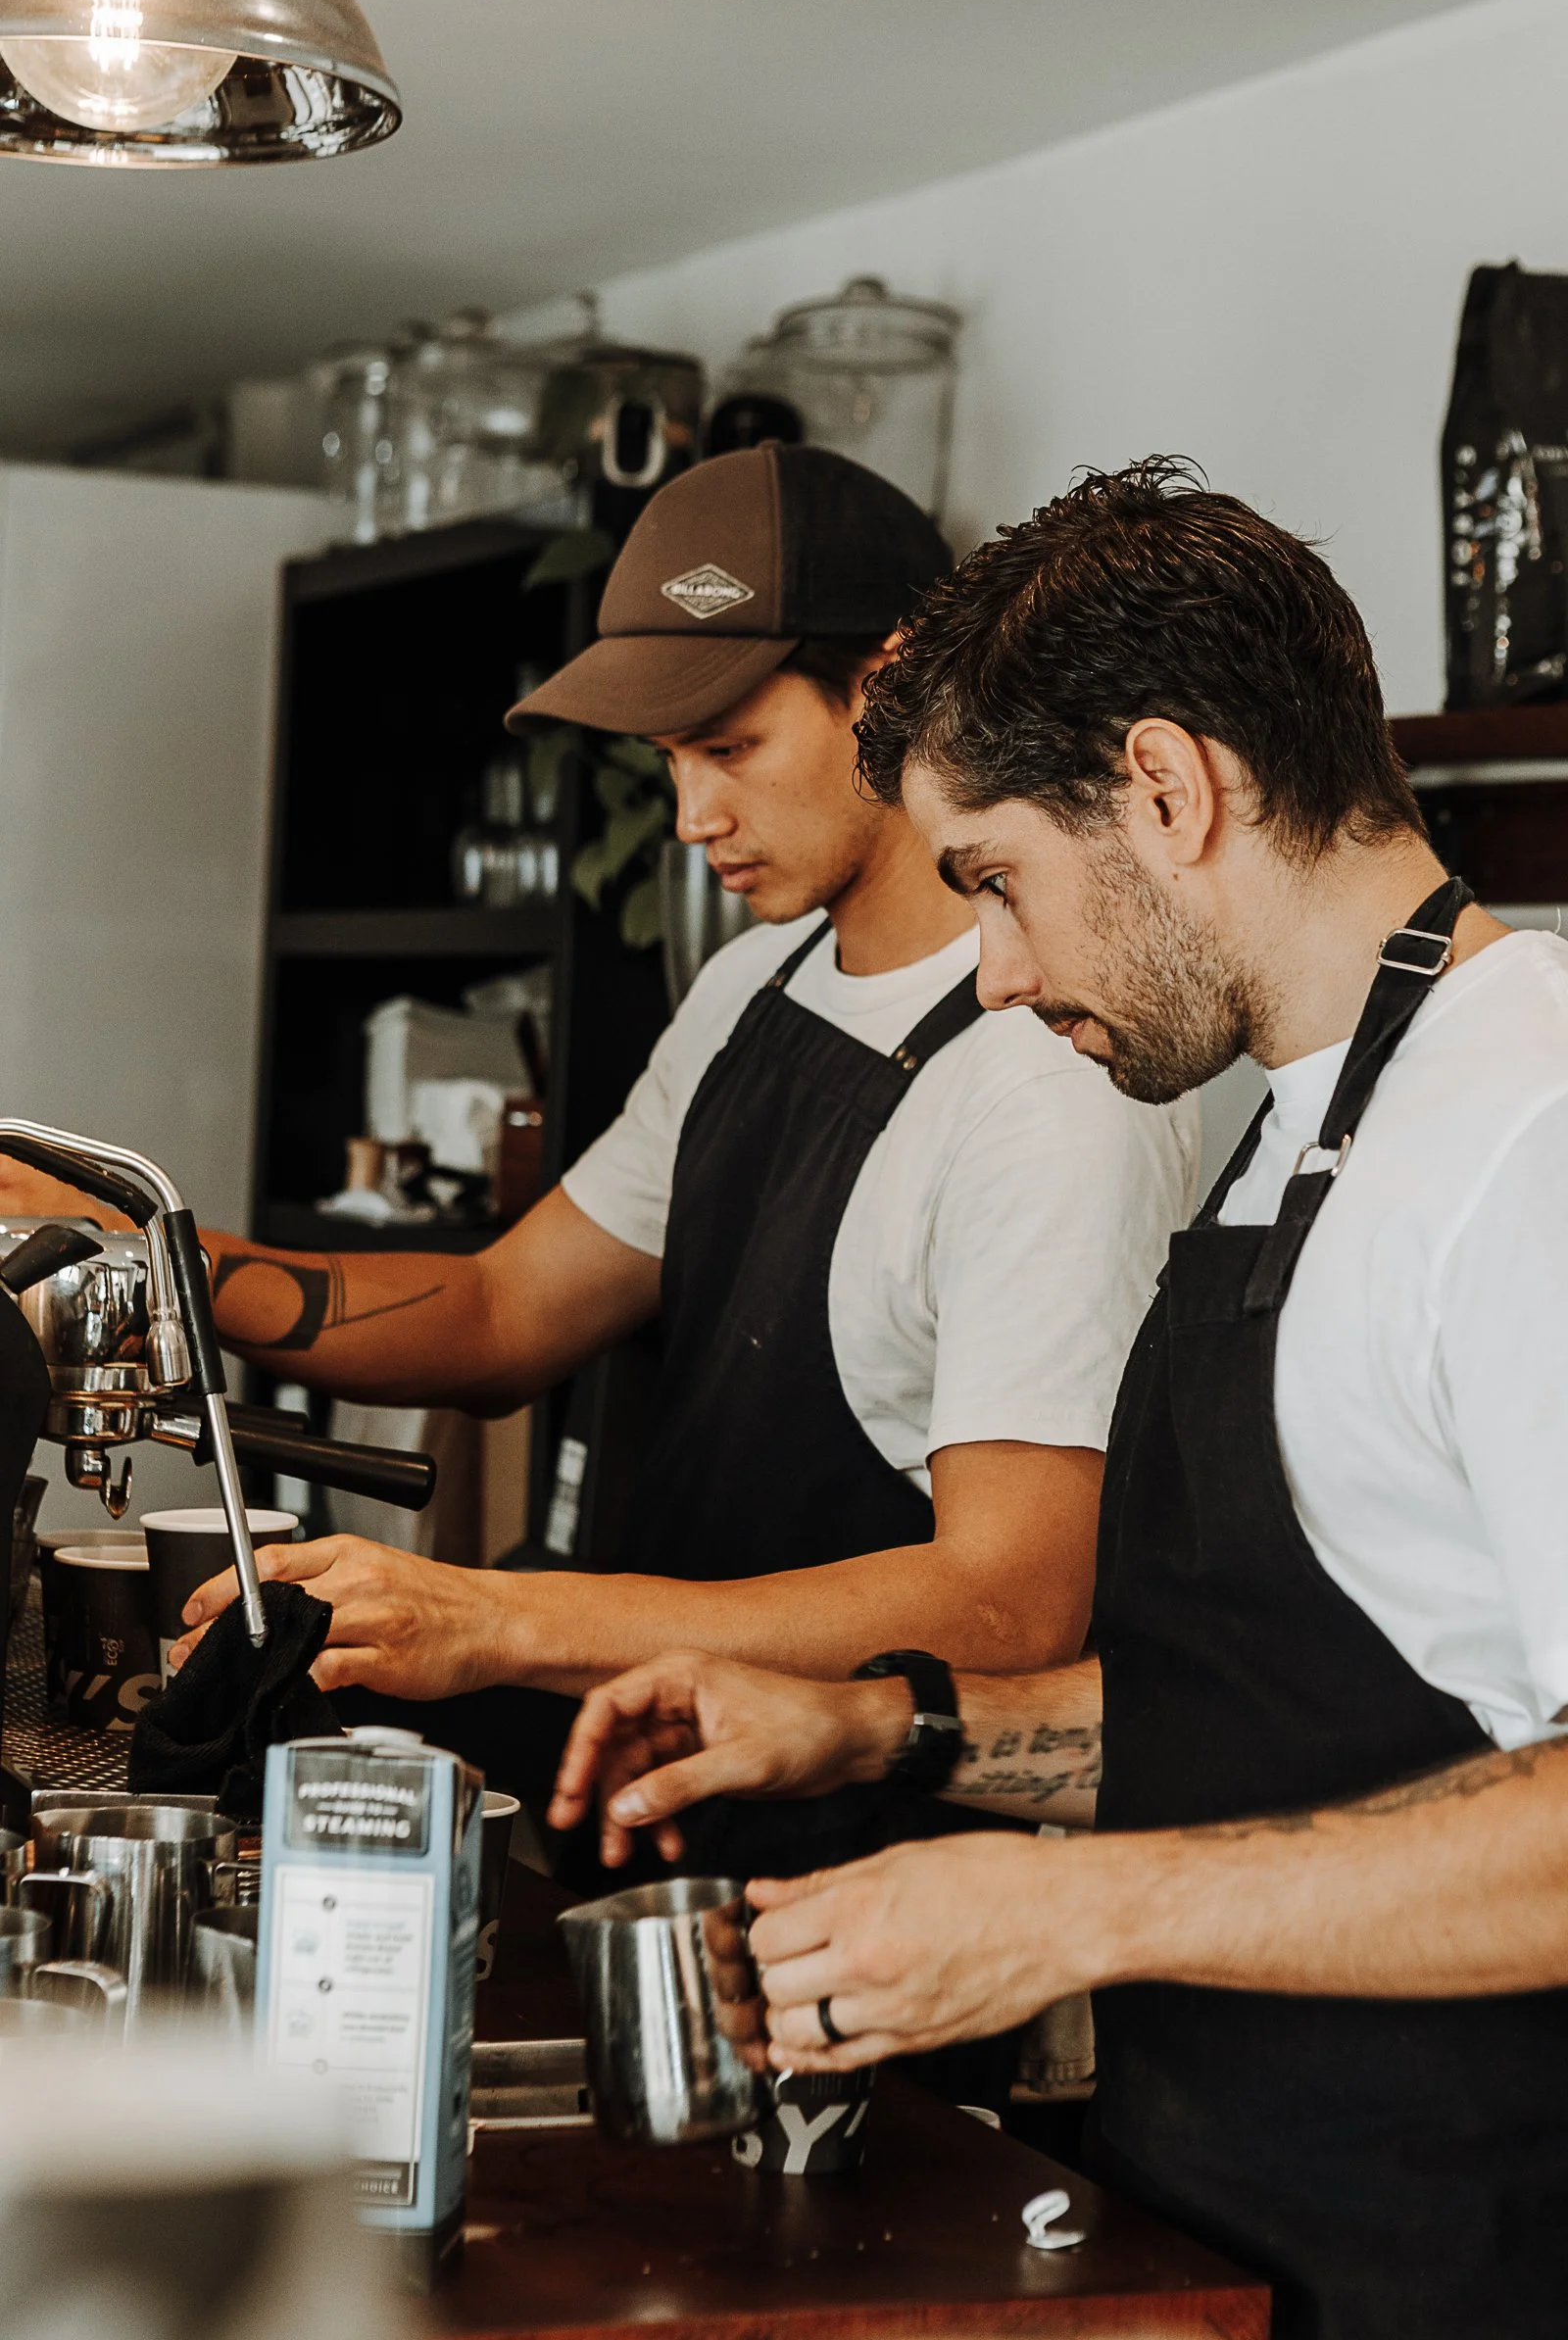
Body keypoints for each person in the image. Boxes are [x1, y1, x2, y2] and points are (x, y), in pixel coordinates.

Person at [545, 461, 1568, 2340]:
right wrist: (884, 1737)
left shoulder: (1534, 1136)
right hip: (1234, 2233)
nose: (997, 977)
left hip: (1469, 2256)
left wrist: (1073, 1913)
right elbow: (1298, 1730)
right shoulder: (1304, 1128)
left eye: (999, 882)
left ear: (1171, 792)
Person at [176, 443, 1196, 1882]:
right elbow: (501, 1314)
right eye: (668, 759)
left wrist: (503, 1621)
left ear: (890, 687)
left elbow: (1012, 1602)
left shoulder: (1048, 1073)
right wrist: (149, 1261)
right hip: (667, 1812)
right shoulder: (757, 985)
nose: (692, 817)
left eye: (729, 748)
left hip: (884, 1874)